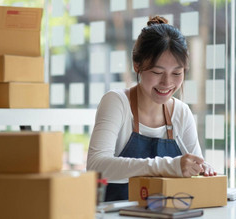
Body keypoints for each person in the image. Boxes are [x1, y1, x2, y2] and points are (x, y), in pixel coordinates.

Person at [87, 16, 217, 202]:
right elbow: (96, 166)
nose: (167, 83)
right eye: (157, 72)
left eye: (177, 73)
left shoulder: (181, 112)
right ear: (137, 65)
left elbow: (192, 170)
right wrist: (169, 166)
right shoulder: (116, 102)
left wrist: (203, 169)